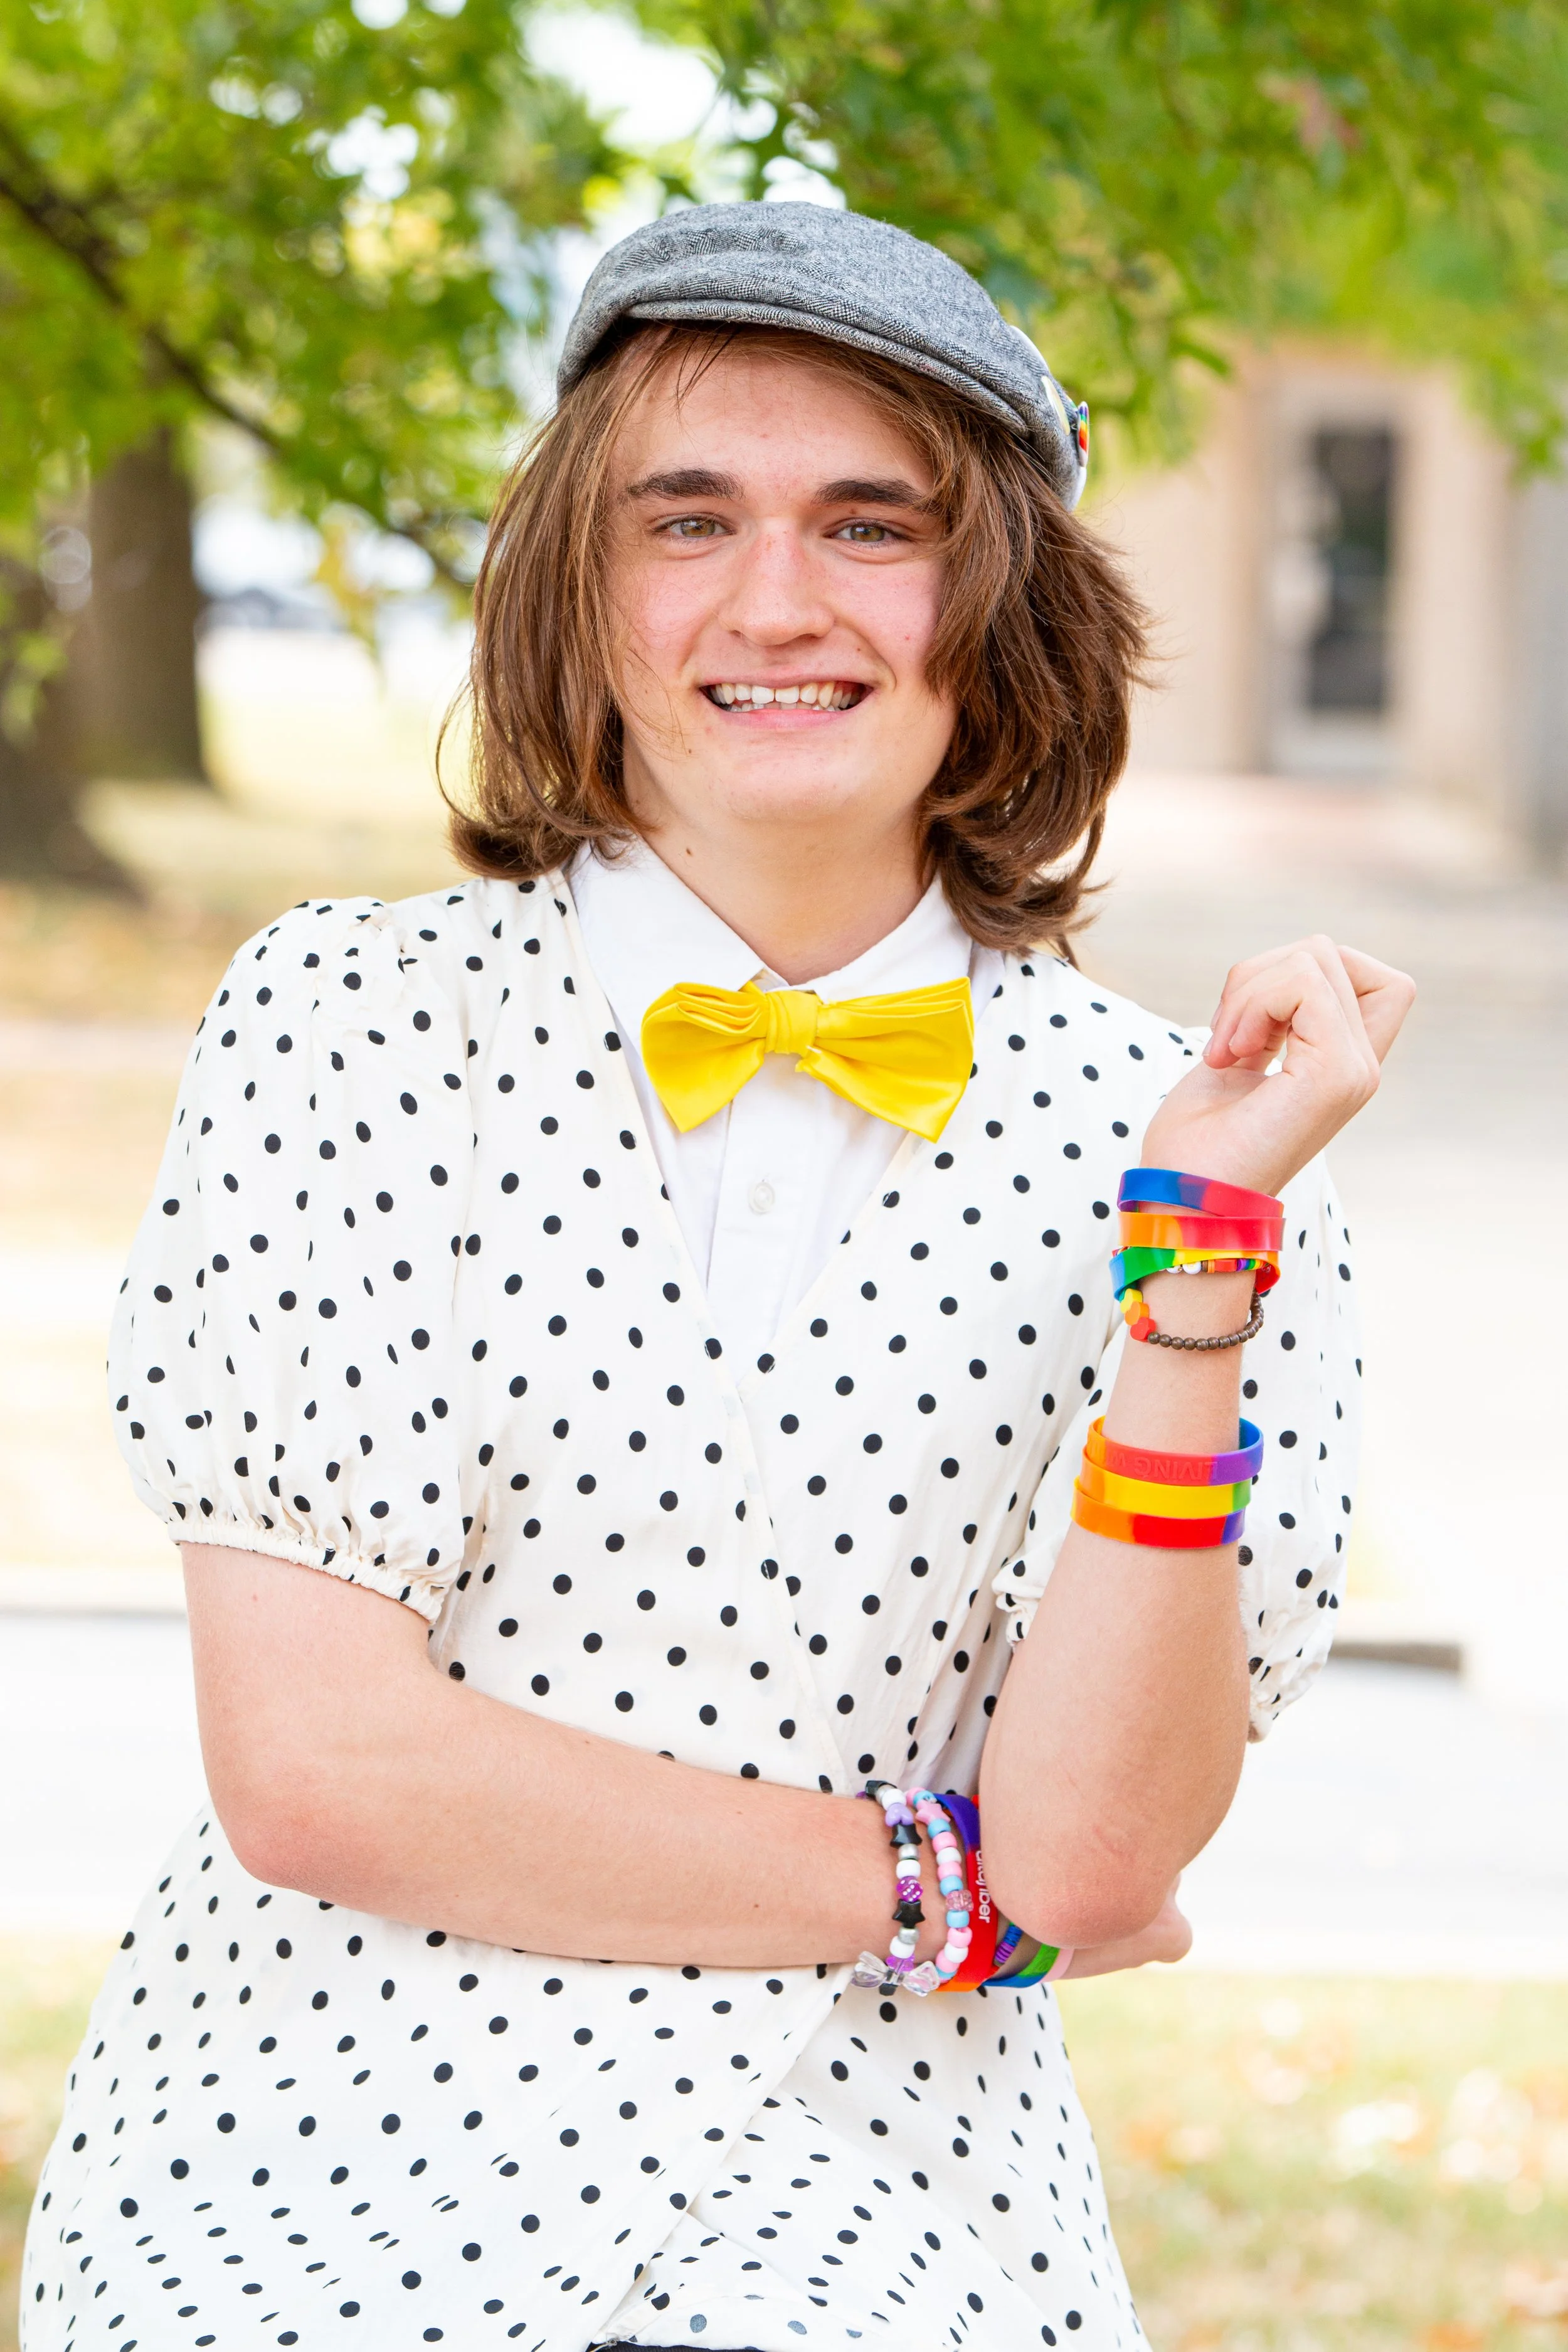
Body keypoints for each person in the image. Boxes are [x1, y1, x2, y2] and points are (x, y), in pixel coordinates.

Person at [24, 201, 1412, 2352]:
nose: (778, 601)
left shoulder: (1203, 1146)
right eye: (691, 518)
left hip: (882, 2181)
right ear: (580, 591)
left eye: (874, 525)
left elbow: (1101, 1849)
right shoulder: (347, 1024)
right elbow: (323, 1772)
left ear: (1000, 608)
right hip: (322, 2155)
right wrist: (943, 1887)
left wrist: (1191, 1269)